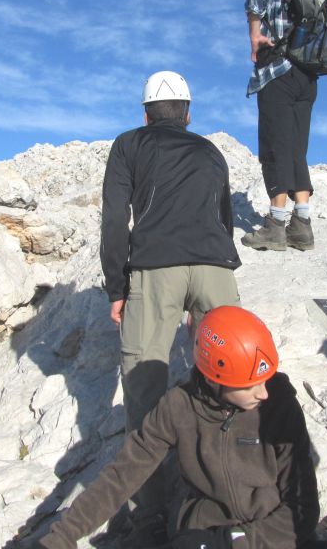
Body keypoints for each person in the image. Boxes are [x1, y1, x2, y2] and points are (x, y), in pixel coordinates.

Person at [33, 305, 323, 549]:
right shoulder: (178, 407)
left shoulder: (279, 406)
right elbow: (122, 475)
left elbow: (303, 508)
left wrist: (236, 541)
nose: (264, 392)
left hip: (270, 534)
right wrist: (60, 538)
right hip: (203, 531)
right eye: (249, 385)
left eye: (265, 379)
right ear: (215, 379)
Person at [100, 70, 242, 545]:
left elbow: (114, 218)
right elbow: (224, 219)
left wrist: (117, 286)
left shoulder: (128, 145)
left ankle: (149, 520)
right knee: (231, 386)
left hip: (156, 267)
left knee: (144, 392)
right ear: (188, 114)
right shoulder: (211, 151)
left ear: (144, 115)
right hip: (215, 267)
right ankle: (227, 506)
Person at [241, 0, 317, 253]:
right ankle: (303, 225)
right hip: (307, 78)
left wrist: (254, 36)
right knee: (298, 148)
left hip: (278, 74)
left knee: (275, 148)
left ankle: (275, 226)